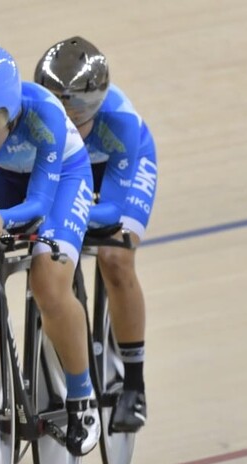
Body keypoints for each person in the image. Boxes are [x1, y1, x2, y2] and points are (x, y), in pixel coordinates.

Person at [0, 44, 100, 456]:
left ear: (10, 112)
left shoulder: (43, 118)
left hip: (61, 180)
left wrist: (3, 221)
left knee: (49, 281)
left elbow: (40, 206)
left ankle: (82, 397)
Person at [34, 36, 156, 432]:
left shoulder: (121, 122)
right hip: (71, 173)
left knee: (115, 257)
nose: (69, 116)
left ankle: (134, 385)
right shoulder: (35, 119)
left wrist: (67, 213)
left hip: (118, 175)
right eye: (59, 103)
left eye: (80, 106)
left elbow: (111, 210)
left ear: (98, 101)